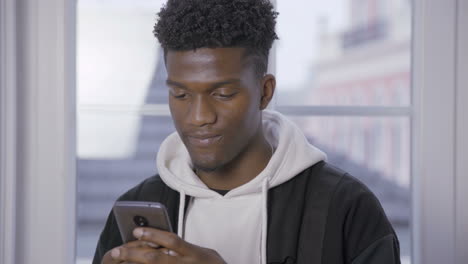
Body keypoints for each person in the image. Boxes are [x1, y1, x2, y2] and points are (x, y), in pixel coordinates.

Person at [93, 0, 401, 263]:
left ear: (265, 92)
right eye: (181, 95)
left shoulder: (348, 208)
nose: (199, 117)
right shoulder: (137, 206)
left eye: (223, 94)